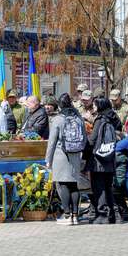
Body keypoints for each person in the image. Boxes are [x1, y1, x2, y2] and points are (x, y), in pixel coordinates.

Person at [46, 93, 84, 225]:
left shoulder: (58, 119)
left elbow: (52, 141)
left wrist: (48, 159)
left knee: (62, 184)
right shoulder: (78, 118)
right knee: (74, 185)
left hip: (61, 154)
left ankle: (67, 215)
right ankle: (75, 216)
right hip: (75, 154)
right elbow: (83, 137)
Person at [85, 97, 117, 224]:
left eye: (95, 105)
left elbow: (93, 140)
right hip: (109, 156)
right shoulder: (112, 117)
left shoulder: (100, 119)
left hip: (99, 158)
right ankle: (112, 214)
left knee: (99, 187)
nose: (93, 107)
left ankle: (102, 214)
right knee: (108, 187)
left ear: (100, 106)